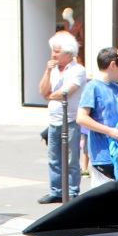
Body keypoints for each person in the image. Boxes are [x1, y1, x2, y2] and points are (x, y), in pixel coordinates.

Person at [76, 47, 118, 188]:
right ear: (113, 65)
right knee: (103, 199)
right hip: (101, 155)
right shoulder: (93, 87)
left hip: (116, 152)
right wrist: (109, 131)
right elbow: (81, 118)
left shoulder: (114, 87)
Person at [37, 30, 84, 202]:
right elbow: (42, 90)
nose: (53, 54)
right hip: (53, 121)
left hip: (70, 120)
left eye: (57, 51)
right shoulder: (53, 70)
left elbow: (66, 92)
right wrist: (47, 72)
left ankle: (72, 191)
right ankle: (55, 191)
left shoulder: (77, 70)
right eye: (53, 50)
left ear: (68, 53)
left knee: (71, 159)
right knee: (54, 158)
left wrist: (49, 94)